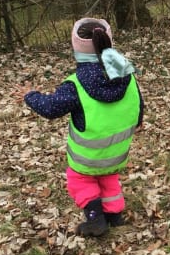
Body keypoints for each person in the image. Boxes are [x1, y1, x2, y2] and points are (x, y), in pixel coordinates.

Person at [13, 18, 143, 237]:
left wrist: (31, 95)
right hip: (118, 153)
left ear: (76, 48)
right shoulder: (126, 75)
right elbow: (139, 107)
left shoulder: (76, 84)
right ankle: (114, 215)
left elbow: (51, 108)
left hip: (87, 158)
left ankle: (95, 220)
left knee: (79, 179)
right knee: (109, 178)